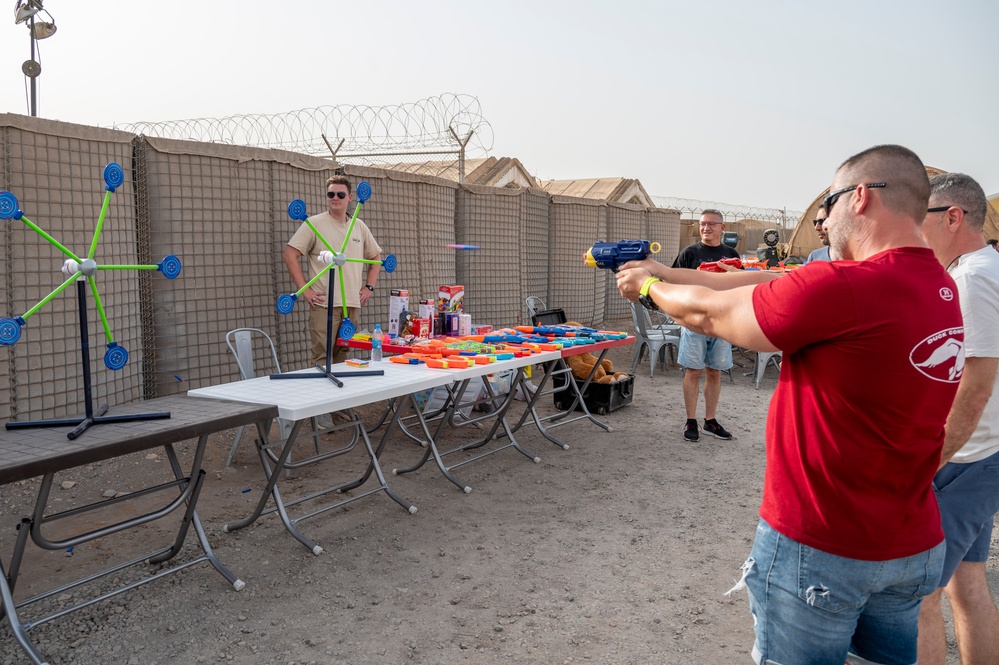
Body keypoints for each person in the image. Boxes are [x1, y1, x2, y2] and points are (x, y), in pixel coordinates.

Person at [616, 144, 963, 665]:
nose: (823, 220)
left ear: (861, 197)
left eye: (831, 202)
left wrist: (648, 288)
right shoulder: (938, 282)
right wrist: (668, 270)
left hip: (823, 545)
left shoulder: (846, 286)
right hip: (908, 545)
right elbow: (765, 281)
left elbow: (712, 317)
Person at [916, 172, 999, 665]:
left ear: (952, 217)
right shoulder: (984, 267)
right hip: (981, 455)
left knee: (918, 593)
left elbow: (974, 382)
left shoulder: (971, 278)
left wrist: (932, 458)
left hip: (964, 460)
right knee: (966, 585)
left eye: (919, 218)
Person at [284, 175, 382, 366]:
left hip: (351, 303)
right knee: (322, 357)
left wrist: (369, 287)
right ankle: (320, 394)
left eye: (340, 194)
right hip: (323, 304)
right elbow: (290, 255)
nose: (335, 198)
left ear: (350, 197)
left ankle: (340, 395)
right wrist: (304, 289)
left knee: (343, 356)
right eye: (331, 194)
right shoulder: (314, 223)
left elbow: (376, 258)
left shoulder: (358, 226)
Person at [670, 209, 739, 442]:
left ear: (722, 228)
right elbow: (672, 282)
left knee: (714, 371)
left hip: (721, 322)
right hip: (695, 321)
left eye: (711, 224)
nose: (706, 228)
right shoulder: (689, 253)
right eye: (702, 224)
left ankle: (710, 421)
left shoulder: (731, 254)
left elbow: (739, 286)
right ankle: (691, 420)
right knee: (693, 370)